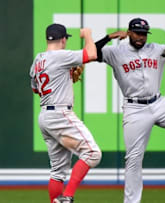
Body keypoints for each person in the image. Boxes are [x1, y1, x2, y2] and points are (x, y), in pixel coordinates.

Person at [95, 18, 165, 203]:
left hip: (158, 103)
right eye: (137, 33)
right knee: (133, 160)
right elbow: (92, 52)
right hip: (135, 109)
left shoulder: (157, 49)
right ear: (129, 32)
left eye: (143, 34)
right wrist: (109, 36)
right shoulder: (115, 52)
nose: (141, 37)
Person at [29, 23, 101, 203]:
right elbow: (91, 54)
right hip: (59, 114)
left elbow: (36, 90)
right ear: (63, 39)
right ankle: (67, 197)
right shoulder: (61, 55)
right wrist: (88, 36)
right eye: (65, 39)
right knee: (92, 153)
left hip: (45, 116)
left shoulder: (38, 60)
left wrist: (63, 80)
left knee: (58, 172)